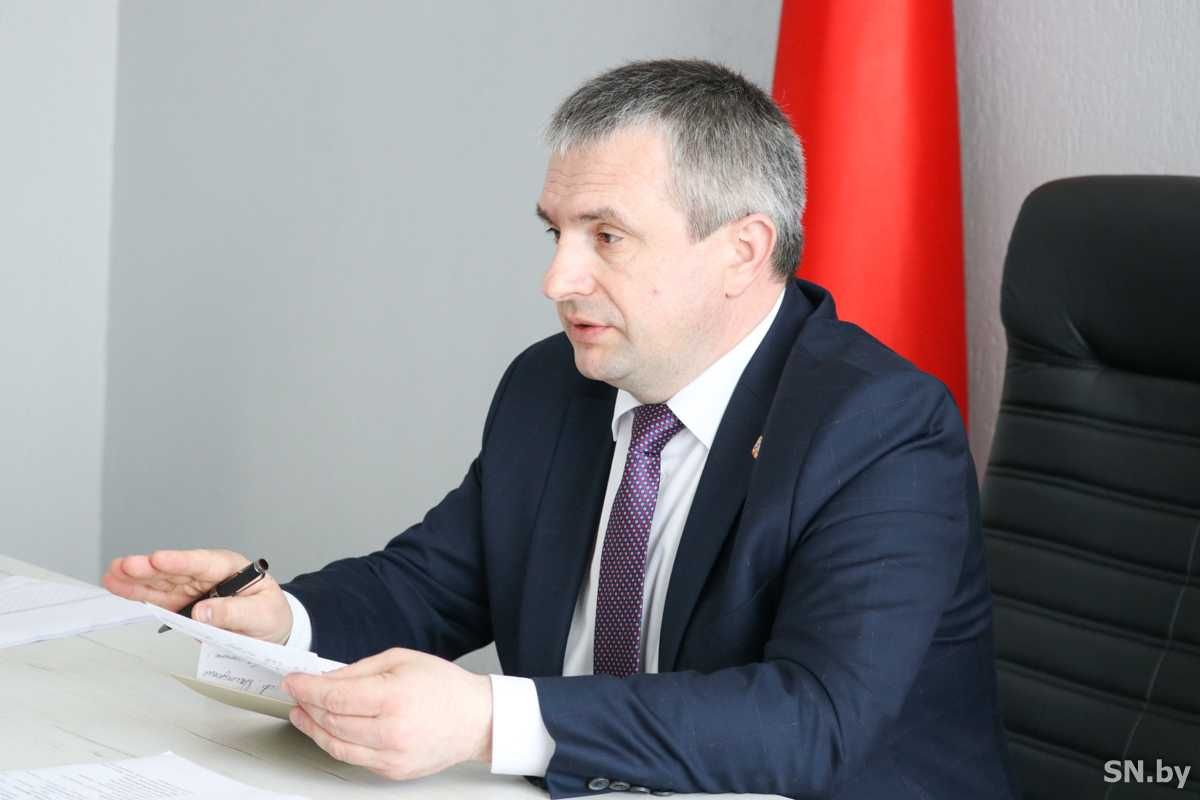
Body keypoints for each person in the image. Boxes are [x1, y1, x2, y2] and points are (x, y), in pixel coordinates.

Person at [103, 59, 1017, 799]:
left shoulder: (878, 427)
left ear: (741, 251)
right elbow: (430, 585)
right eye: (556, 233)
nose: (557, 281)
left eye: (605, 237)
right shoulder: (554, 385)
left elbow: (812, 719)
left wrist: (491, 720)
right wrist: (278, 619)